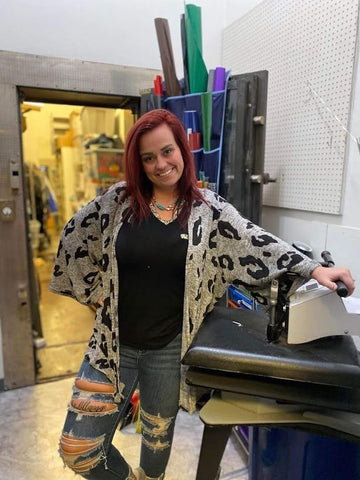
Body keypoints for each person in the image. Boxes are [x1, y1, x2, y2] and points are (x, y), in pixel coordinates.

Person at [50, 108, 355, 480]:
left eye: (167, 151)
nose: (160, 164)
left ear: (182, 148)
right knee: (78, 448)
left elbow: (257, 243)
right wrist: (95, 292)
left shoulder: (210, 212)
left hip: (168, 351)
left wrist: (314, 269)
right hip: (111, 348)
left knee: (156, 444)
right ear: (138, 163)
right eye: (148, 158)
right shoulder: (118, 204)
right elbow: (75, 237)